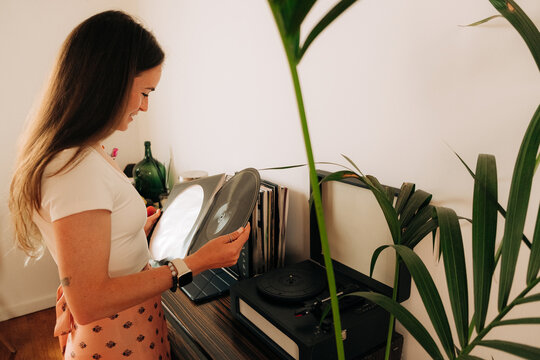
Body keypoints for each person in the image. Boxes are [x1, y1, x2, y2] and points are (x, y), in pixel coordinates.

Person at [8, 10, 250, 359]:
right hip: (114, 335)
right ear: (110, 84)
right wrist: (194, 263)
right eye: (145, 92)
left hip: (128, 322)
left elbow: (91, 243)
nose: (146, 107)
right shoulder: (75, 167)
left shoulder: (84, 151)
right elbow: (90, 301)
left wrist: (134, 229)